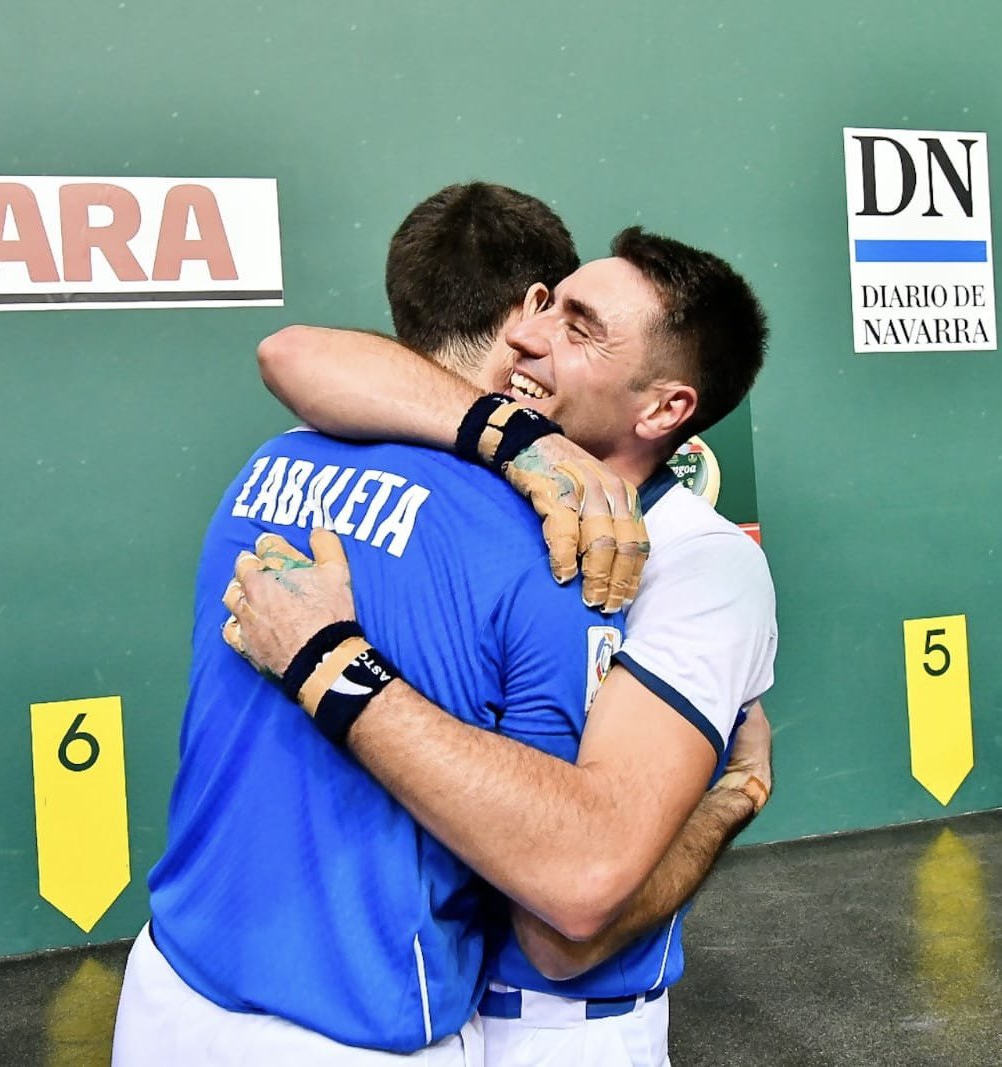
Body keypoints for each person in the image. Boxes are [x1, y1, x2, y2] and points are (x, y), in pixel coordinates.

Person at [112, 184, 767, 1066]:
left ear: (662, 409)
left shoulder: (691, 559)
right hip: (375, 1008)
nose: (529, 332)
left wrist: (324, 661)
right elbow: (293, 351)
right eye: (545, 305)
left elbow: (570, 913)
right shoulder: (507, 509)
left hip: (546, 1032)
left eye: (577, 325)